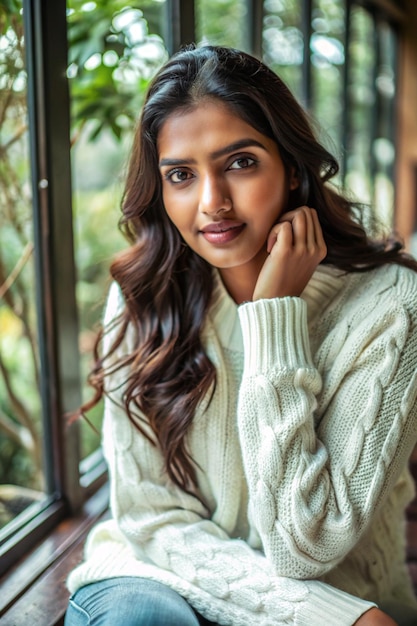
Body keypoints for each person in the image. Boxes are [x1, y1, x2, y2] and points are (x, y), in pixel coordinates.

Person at [64, 45, 417, 626]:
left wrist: (274, 315)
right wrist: (332, 618)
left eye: (240, 163)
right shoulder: (146, 295)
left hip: (340, 595)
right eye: (181, 174)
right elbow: (152, 518)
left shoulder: (389, 306)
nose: (212, 203)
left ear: (294, 168)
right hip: (164, 581)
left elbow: (307, 546)